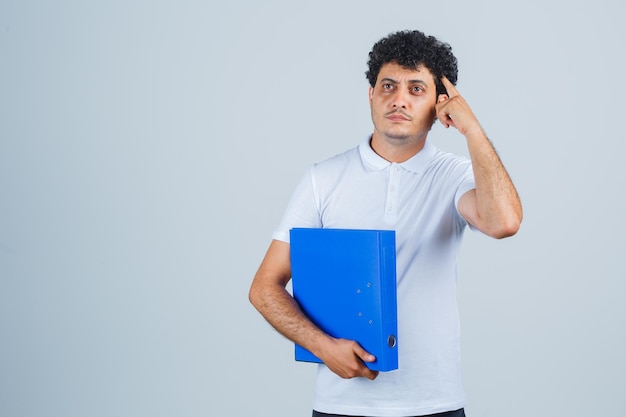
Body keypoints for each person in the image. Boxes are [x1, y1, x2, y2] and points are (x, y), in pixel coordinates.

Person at [249, 29, 522, 417]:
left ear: (440, 104)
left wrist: (473, 130)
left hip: (435, 404)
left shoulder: (455, 176)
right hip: (341, 405)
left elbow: (505, 222)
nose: (399, 100)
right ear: (371, 95)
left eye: (416, 89)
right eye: (388, 86)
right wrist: (323, 347)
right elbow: (264, 288)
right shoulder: (322, 178)